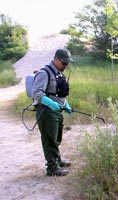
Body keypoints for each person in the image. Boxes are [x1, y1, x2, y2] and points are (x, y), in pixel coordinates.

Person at [32, 48, 74, 176]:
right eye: (63, 63)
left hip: (57, 111)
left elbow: (60, 93)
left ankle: (57, 160)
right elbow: (37, 93)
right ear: (56, 59)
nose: (66, 65)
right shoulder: (44, 73)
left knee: (56, 138)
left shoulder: (60, 73)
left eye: (67, 63)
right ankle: (52, 168)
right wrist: (50, 103)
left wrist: (65, 104)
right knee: (49, 139)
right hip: (46, 111)